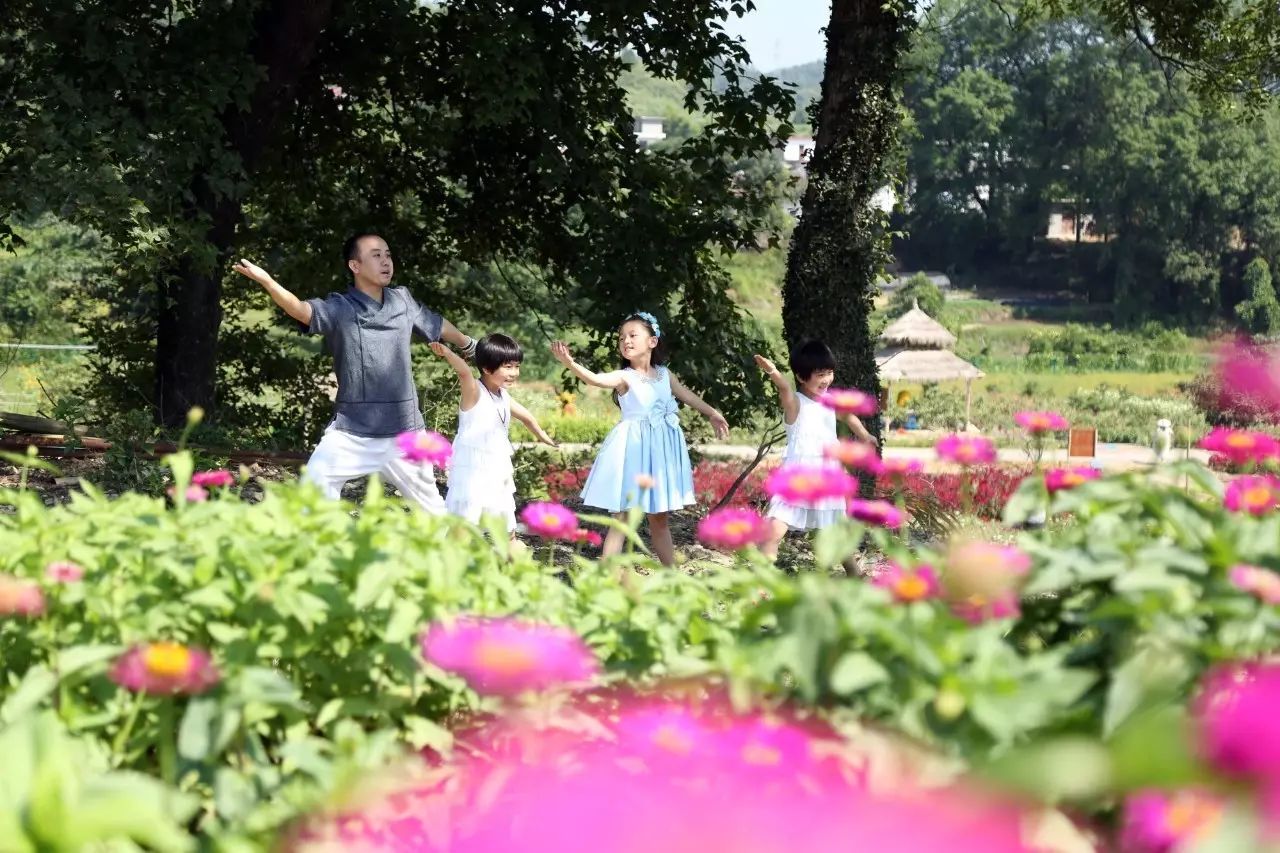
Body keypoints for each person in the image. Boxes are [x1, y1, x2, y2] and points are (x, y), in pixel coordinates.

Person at [232, 233, 474, 510]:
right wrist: (266, 280)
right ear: (355, 266)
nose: (385, 261)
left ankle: (455, 552)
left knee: (434, 514)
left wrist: (469, 345)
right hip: (352, 432)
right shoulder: (340, 308)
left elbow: (437, 324)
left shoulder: (402, 301)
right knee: (310, 499)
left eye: (388, 255)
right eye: (376, 255)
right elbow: (300, 310)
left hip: (405, 433)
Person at [550, 311, 729, 566]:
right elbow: (596, 379)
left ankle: (673, 577)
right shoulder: (625, 377)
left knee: (659, 518)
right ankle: (606, 578)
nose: (626, 341)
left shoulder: (665, 375)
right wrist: (570, 363)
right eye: (622, 337)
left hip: (661, 452)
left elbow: (687, 396)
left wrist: (712, 413)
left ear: (652, 342)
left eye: (633, 335)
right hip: (633, 451)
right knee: (622, 516)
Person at [755, 340, 874, 560]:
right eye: (820, 374)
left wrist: (866, 436)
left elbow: (848, 415)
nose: (827, 379)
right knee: (774, 531)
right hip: (798, 479)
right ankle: (762, 583)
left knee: (834, 532)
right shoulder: (795, 404)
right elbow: (784, 388)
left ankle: (854, 574)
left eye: (829, 372)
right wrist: (772, 371)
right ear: (801, 377)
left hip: (827, 476)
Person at [430, 333, 556, 535]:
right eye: (508, 367)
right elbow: (464, 373)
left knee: (507, 528)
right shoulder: (474, 392)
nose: (514, 372)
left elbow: (526, 417)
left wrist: (542, 435)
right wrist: (446, 353)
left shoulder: (503, 395)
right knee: (464, 527)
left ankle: (513, 559)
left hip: (497, 470)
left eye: (516, 366)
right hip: (472, 473)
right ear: (487, 368)